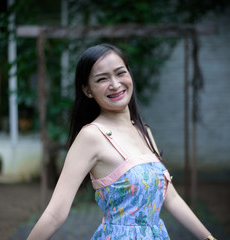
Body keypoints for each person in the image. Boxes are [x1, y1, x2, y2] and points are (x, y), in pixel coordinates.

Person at [27, 43, 216, 240]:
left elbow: (172, 199)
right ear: (87, 90)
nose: (115, 84)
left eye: (120, 73)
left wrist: (209, 238)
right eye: (102, 79)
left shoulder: (144, 131)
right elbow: (55, 214)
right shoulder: (92, 136)